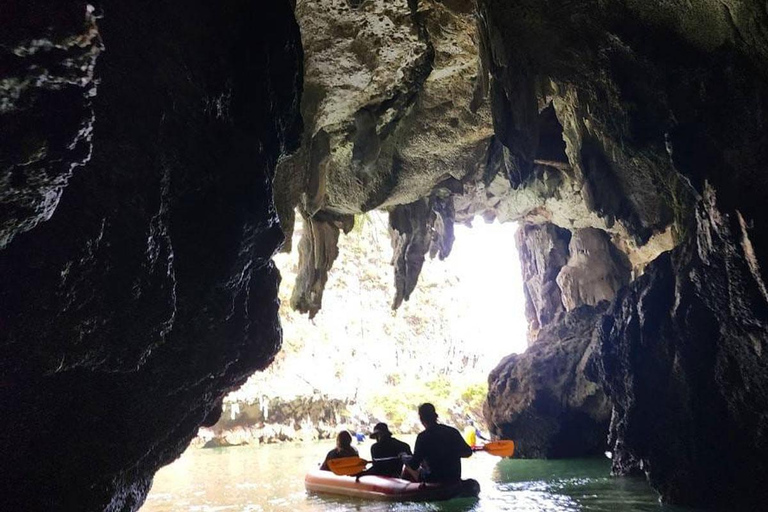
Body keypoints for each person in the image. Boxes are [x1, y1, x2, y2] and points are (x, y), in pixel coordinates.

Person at [403, 403, 473, 483]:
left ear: (421, 419)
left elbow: (414, 465)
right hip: (454, 477)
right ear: (435, 415)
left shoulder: (423, 437)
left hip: (433, 479)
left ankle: (404, 492)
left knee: (407, 467)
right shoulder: (452, 431)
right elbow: (468, 452)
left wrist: (404, 459)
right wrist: (451, 453)